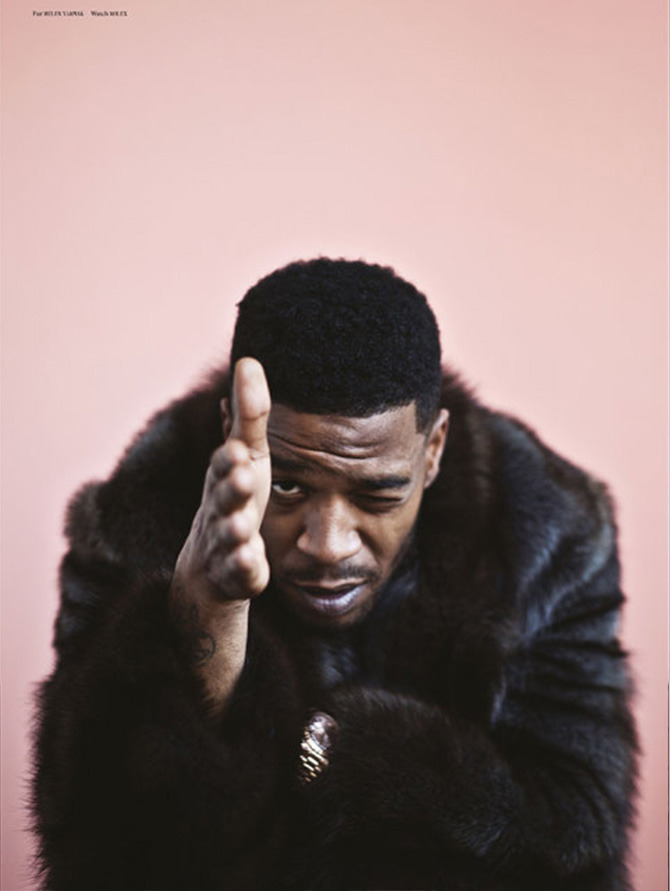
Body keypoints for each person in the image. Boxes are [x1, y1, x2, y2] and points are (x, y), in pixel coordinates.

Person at [32, 258, 637, 890]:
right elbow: (93, 852)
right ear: (229, 430)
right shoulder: (137, 517)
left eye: (377, 496)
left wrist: (360, 755)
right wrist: (203, 613)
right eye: (287, 486)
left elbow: (575, 837)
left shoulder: (550, 534)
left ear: (432, 450)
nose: (328, 546)